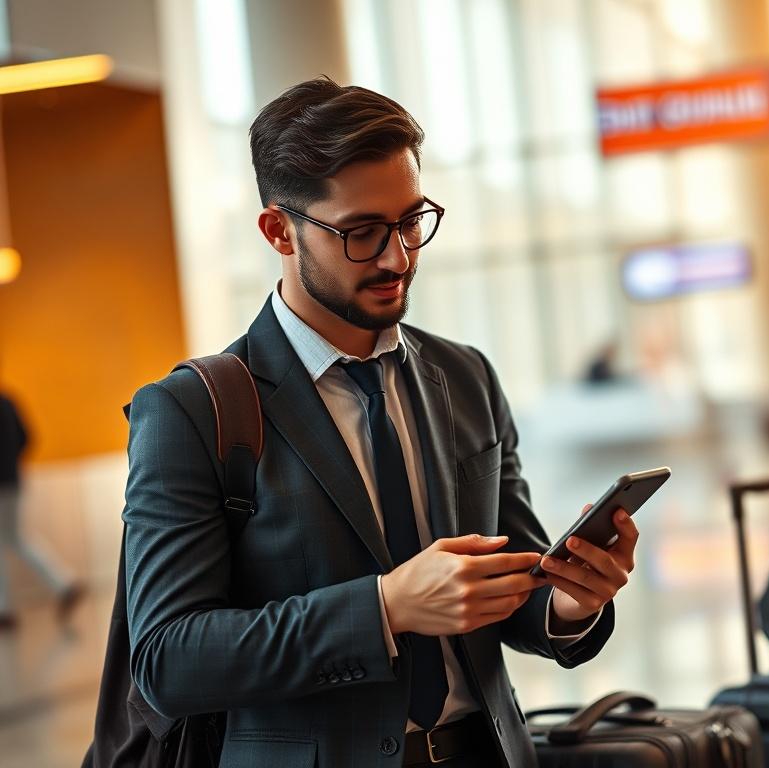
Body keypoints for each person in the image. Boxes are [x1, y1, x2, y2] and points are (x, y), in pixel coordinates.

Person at [123, 78, 636, 768]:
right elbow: (167, 660)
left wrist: (573, 601)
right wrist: (385, 608)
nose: (398, 257)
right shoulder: (192, 410)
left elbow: (511, 589)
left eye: (411, 221)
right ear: (279, 230)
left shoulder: (464, 378)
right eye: (361, 232)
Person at [0, 389, 81, 629]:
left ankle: (4, 610)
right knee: (15, 538)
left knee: (11, 540)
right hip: (13, 480)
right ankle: (63, 583)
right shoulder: (8, 401)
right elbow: (26, 438)